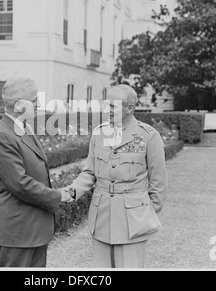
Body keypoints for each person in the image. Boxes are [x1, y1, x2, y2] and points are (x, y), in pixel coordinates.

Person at [65, 84, 168, 268]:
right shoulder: (99, 133)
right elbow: (89, 172)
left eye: (113, 106)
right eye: (107, 105)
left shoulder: (148, 136)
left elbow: (158, 183)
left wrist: (146, 214)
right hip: (102, 216)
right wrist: (73, 191)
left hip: (133, 221)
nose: (108, 110)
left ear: (130, 108)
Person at [0, 77, 73, 267]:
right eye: (34, 101)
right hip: (18, 231)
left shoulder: (23, 127)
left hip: (33, 229)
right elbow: (20, 184)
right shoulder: (3, 135)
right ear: (18, 105)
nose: (39, 104)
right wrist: (57, 196)